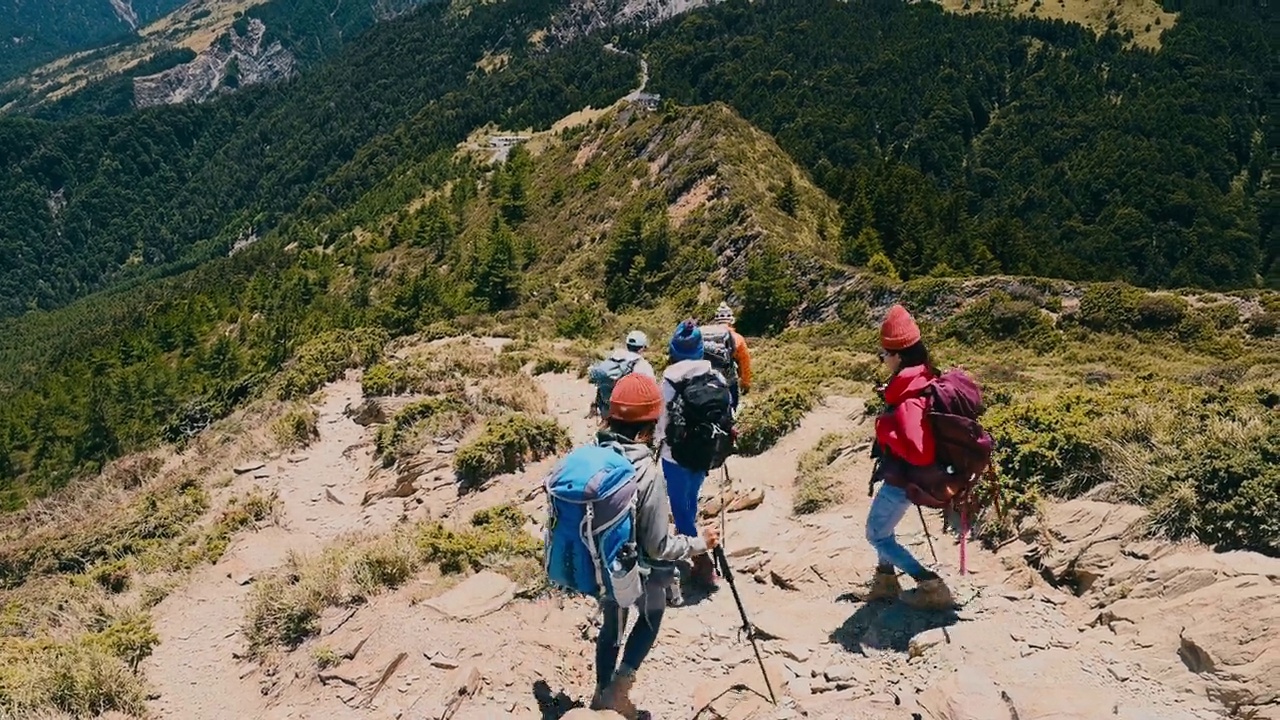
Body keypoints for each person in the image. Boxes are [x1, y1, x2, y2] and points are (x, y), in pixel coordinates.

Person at [588, 373, 720, 717]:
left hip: (601, 560)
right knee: (652, 616)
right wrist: (698, 543)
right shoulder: (647, 473)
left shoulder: (595, 454)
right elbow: (660, 545)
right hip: (638, 568)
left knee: (611, 627)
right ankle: (620, 686)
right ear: (649, 426)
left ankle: (601, 691)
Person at [864, 304, 955, 610]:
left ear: (898, 357)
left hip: (903, 477)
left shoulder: (909, 397)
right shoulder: (919, 379)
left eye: (885, 354)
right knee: (883, 529)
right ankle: (885, 581)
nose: (883, 359)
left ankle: (929, 584)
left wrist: (886, 433)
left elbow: (919, 451)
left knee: (877, 534)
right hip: (902, 475)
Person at [655, 320, 733, 591]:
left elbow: (661, 419)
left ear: (673, 350)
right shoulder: (716, 376)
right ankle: (692, 539)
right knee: (690, 497)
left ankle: (702, 561)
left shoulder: (670, 380)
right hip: (706, 452)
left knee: (680, 507)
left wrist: (656, 443)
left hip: (675, 454)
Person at [587, 330, 656, 421]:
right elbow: (652, 390)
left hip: (608, 407)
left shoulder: (613, 357)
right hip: (629, 412)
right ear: (642, 348)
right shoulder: (642, 364)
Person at [699, 303, 752, 411]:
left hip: (706, 380)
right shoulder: (737, 338)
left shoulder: (705, 336)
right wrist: (745, 383)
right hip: (728, 381)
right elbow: (744, 362)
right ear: (732, 321)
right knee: (731, 409)